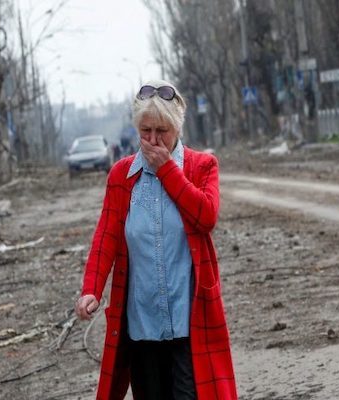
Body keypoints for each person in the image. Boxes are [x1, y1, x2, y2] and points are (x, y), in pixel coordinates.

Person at [75, 79, 238, 399]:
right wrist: (91, 289)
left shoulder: (202, 166)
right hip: (142, 322)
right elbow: (106, 235)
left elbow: (206, 217)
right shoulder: (121, 176)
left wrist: (167, 170)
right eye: (145, 131)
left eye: (161, 131)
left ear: (177, 126)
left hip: (189, 319)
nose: (152, 140)